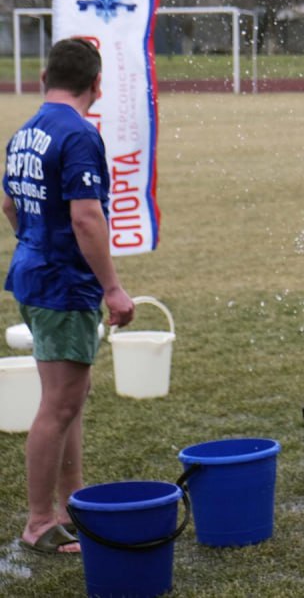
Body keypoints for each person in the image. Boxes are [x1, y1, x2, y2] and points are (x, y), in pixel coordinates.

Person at [3, 37, 136, 556]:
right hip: (62, 285)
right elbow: (86, 217)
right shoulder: (79, 135)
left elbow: (11, 204)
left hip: (33, 275)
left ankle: (71, 503)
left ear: (44, 77)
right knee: (58, 406)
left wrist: (35, 243)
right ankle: (39, 522)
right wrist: (113, 287)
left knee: (69, 400)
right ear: (96, 85)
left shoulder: (27, 131)